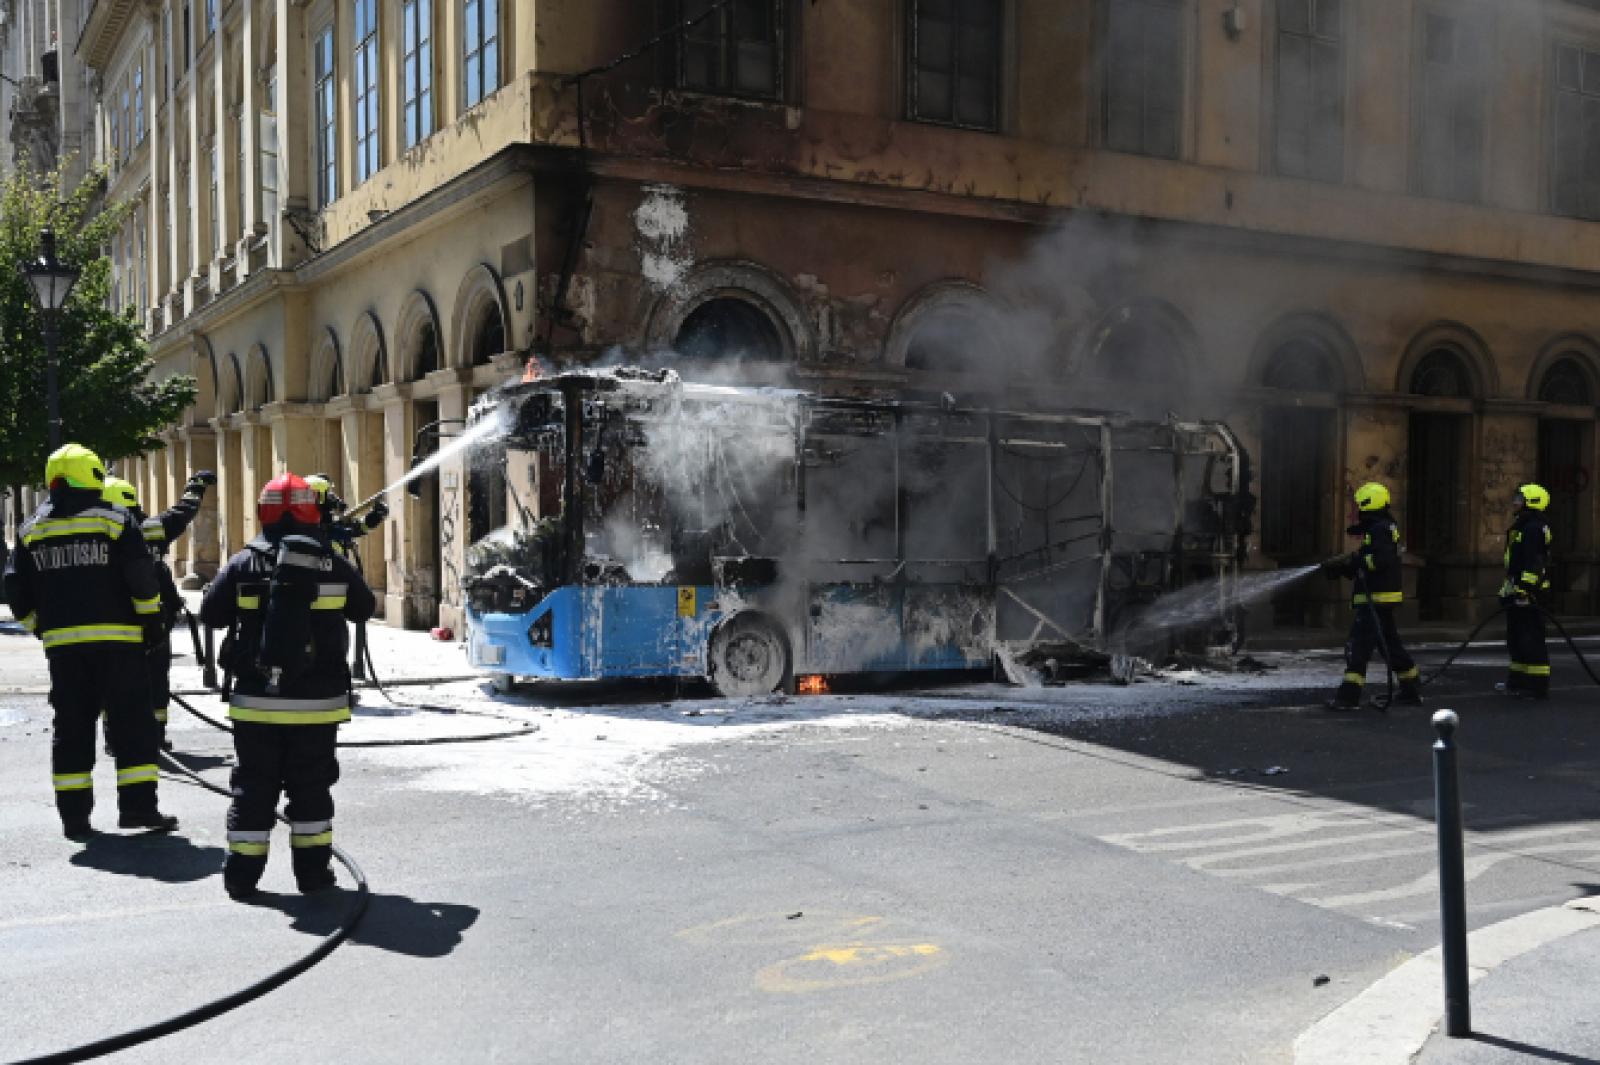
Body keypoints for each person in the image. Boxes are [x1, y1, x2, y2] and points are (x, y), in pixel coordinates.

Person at [201, 473, 375, 899]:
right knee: (311, 790)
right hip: (319, 705)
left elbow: (211, 615)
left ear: (265, 512)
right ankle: (313, 877)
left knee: (253, 788)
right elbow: (365, 607)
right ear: (310, 511)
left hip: (256, 703)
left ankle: (241, 876)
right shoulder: (331, 561)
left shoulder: (244, 562)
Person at [2, 443, 177, 839]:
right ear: (93, 475)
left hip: (65, 650)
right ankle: (137, 809)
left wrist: (41, 628)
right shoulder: (114, 521)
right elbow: (140, 576)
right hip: (120, 645)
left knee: (72, 728)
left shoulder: (31, 529)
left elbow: (15, 590)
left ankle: (75, 818)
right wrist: (152, 622)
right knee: (133, 725)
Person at [101, 470, 215, 750]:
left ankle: (115, 738)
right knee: (156, 682)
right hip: (155, 622)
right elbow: (183, 512)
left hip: (113, 625)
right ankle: (156, 735)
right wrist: (195, 487)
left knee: (112, 683)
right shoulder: (153, 528)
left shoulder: (97, 536)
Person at [1319, 481, 1422, 710]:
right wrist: (1344, 569)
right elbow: (1369, 560)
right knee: (1389, 646)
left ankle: (1348, 697)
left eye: (1358, 506)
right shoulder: (1383, 527)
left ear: (1369, 503)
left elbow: (1380, 560)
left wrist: (1355, 562)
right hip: (1380, 598)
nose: (1355, 511)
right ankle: (1411, 686)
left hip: (1375, 598)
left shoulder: (1379, 529)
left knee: (1358, 647)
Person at [1497, 483, 1553, 700]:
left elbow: (1534, 562)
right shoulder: (1524, 525)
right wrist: (1508, 590)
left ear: (1532, 501)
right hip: (1518, 589)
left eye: (1520, 499)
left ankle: (1537, 686)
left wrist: (1525, 589)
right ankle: (1518, 681)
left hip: (1531, 593)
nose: (1515, 502)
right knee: (1517, 638)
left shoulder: (1534, 528)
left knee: (1531, 639)